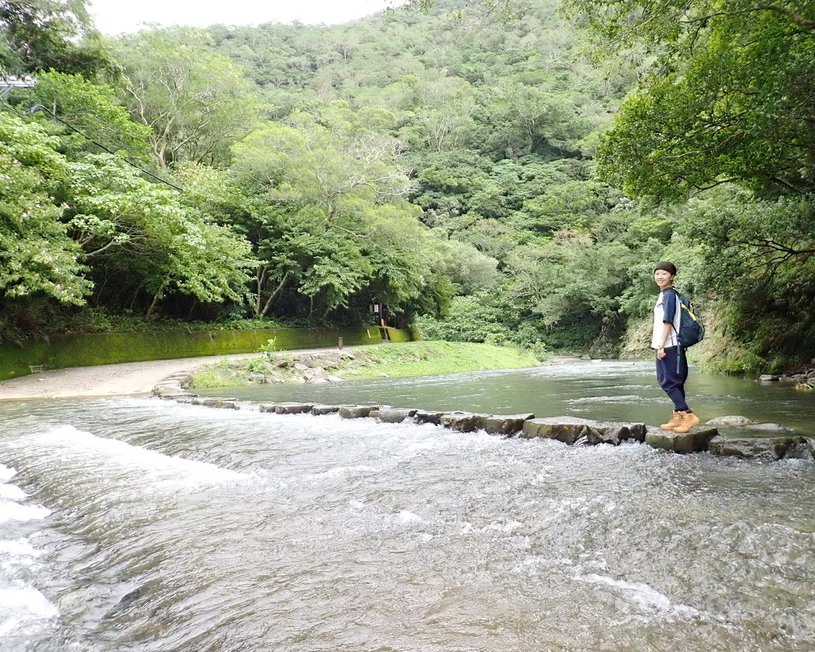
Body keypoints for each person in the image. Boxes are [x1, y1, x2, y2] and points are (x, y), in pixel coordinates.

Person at [652, 262, 701, 433]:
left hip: (670, 345)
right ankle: (678, 416)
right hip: (670, 345)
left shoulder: (669, 296)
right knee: (674, 383)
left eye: (664, 274)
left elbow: (668, 321)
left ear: (672, 276)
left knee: (668, 382)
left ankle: (688, 415)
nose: (660, 277)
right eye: (657, 273)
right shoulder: (666, 294)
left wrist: (660, 345)